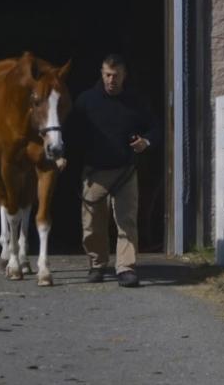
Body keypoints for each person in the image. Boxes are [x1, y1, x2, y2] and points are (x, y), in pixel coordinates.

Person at [66, 54, 160, 287]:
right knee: (92, 225)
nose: (111, 80)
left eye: (116, 75)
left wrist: (145, 142)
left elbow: (155, 128)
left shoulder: (136, 101)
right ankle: (97, 265)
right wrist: (63, 157)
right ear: (101, 73)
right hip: (94, 172)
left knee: (126, 221)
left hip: (125, 171)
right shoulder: (86, 101)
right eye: (108, 74)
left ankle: (126, 268)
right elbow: (70, 133)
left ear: (124, 76)